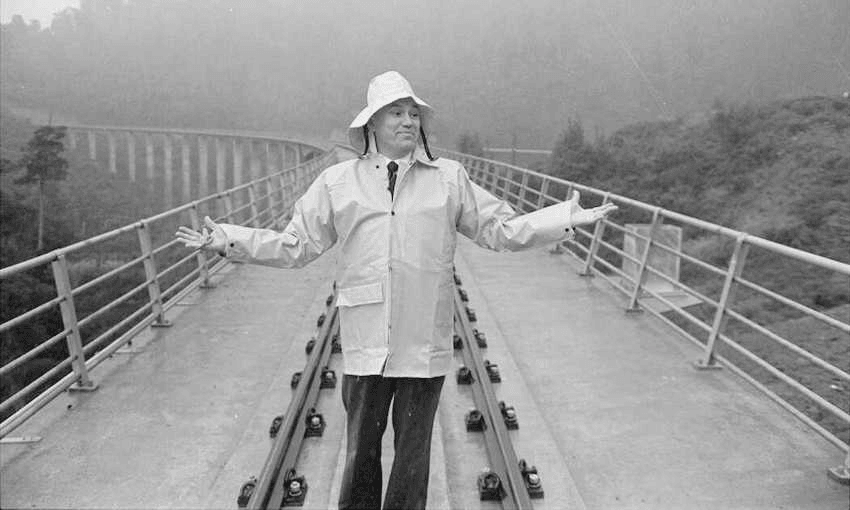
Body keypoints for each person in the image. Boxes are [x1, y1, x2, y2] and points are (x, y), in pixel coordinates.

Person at [176, 70, 617, 510]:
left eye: (413, 114)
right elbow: (296, 246)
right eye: (396, 113)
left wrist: (561, 220)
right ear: (372, 124)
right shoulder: (338, 182)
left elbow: (498, 229)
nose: (408, 122)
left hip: (423, 343)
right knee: (360, 456)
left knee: (412, 461)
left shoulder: (448, 178)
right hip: (365, 343)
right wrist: (228, 240)